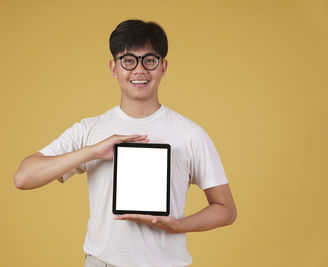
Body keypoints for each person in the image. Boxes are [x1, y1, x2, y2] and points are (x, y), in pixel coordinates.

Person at [14, 19, 237, 267]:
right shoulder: (90, 130)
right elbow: (24, 177)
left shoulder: (189, 133)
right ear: (113, 67)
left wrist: (177, 226)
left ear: (163, 67)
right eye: (128, 60)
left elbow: (226, 209)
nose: (139, 70)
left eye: (149, 60)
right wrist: (92, 152)